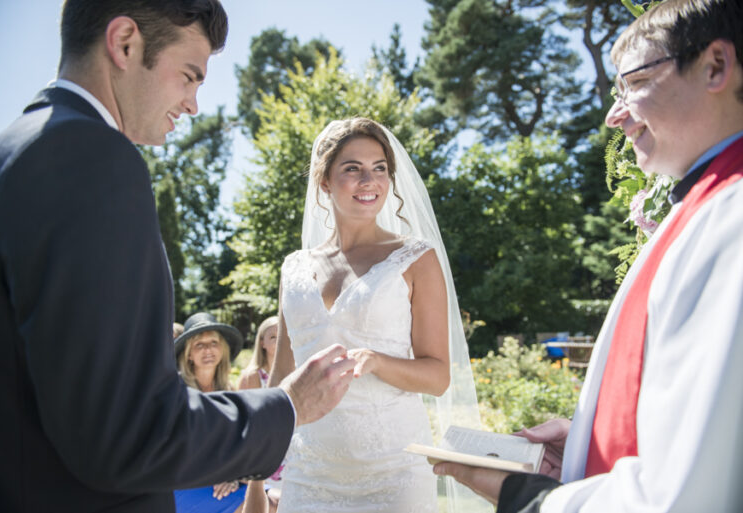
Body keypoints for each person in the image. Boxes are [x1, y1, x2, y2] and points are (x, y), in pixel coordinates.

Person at [0, 1, 355, 512]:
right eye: (189, 76)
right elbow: (127, 432)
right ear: (125, 43)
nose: (194, 104)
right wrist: (287, 406)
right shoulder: (92, 158)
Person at [433, 1, 743, 511]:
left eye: (635, 83)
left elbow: (686, 493)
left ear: (715, 66)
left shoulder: (730, 214)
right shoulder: (703, 206)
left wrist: (529, 498)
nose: (614, 115)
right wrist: (584, 445)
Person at [268, 117, 481, 512]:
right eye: (353, 168)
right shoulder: (294, 269)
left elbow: (438, 378)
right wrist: (251, 452)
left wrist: (377, 361)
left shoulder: (415, 258)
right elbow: (281, 376)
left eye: (379, 168)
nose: (369, 181)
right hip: (308, 474)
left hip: (394, 475)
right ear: (325, 181)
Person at [173, 312, 247, 509]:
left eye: (214, 342)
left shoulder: (230, 391)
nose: (208, 349)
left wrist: (233, 476)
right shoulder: (176, 391)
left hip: (226, 478)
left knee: (278, 499)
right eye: (199, 344)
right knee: (264, 504)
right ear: (189, 354)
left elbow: (239, 444)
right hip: (185, 482)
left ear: (222, 349)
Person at [238, 316, 284, 513]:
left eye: (282, 335)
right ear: (262, 342)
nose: (278, 340)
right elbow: (243, 422)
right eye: (272, 336)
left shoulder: (295, 372)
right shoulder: (252, 376)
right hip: (264, 450)